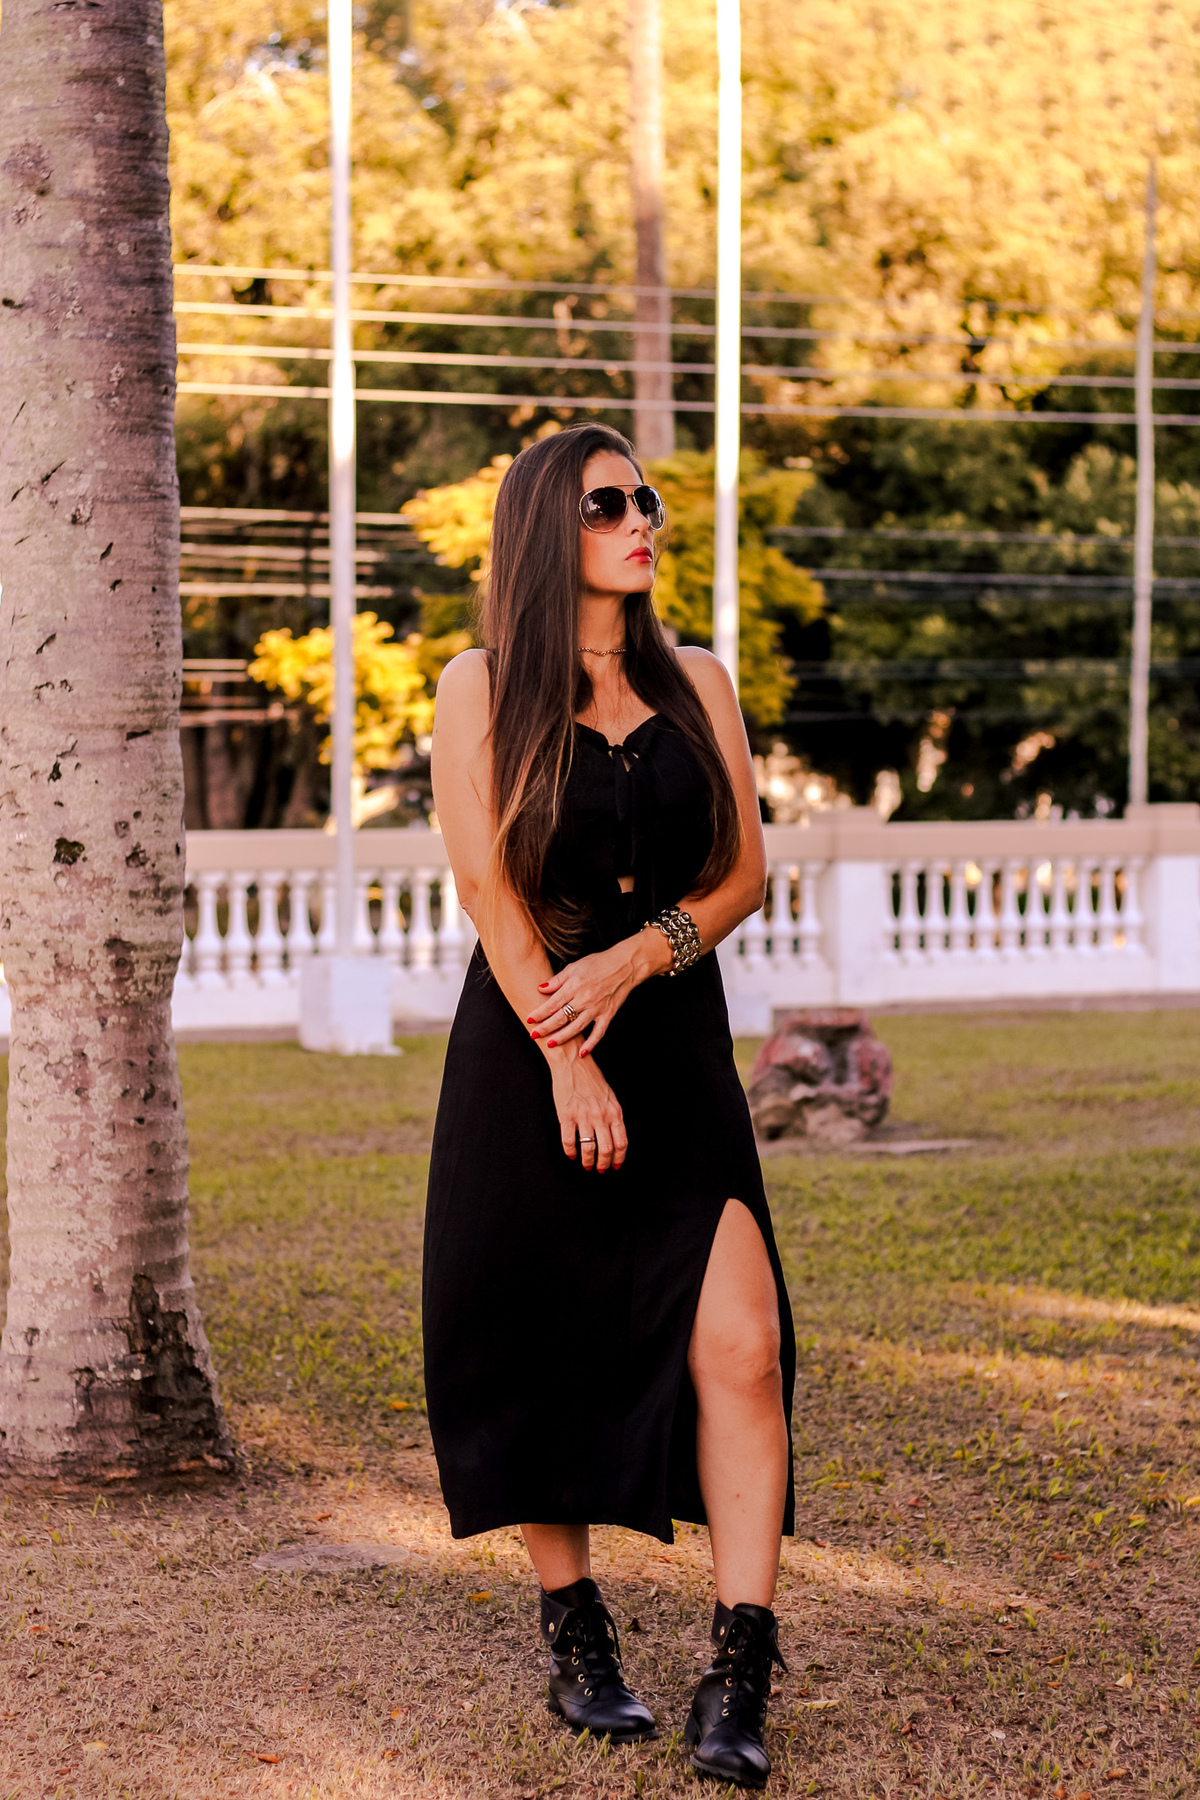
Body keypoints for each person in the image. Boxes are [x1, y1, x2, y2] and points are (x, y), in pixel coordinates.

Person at [423, 422, 796, 1788]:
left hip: (676, 1042)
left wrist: (640, 961)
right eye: (607, 505)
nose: (642, 521)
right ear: (543, 529)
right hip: (531, 1040)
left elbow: (742, 874)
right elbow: (488, 890)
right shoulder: (481, 685)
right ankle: (577, 1634)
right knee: (536, 1338)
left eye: (646, 501)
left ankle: (739, 1663)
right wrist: (567, 1054)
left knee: (743, 1346)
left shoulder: (699, 680)